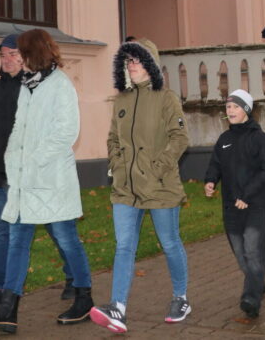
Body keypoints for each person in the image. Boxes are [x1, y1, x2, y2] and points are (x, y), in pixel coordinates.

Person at [0, 30, 93, 333]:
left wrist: (33, 161)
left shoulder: (60, 85)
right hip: (22, 181)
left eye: (20, 53)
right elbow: (18, 130)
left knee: (66, 238)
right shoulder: (28, 86)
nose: (15, 59)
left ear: (33, 53)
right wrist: (13, 162)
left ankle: (84, 297)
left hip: (51, 181)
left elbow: (66, 133)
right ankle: (8, 309)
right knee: (17, 242)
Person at [90, 39, 191, 334]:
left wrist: (156, 169)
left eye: (137, 60)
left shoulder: (166, 98)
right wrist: (118, 165)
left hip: (159, 187)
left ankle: (181, 298)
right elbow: (113, 138)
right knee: (124, 246)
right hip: (125, 189)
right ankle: (118, 308)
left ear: (151, 64)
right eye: (128, 61)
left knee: (169, 243)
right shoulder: (121, 100)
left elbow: (180, 138)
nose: (131, 65)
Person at [203, 89, 265, 319]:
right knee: (241, 254)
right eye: (228, 107)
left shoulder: (259, 138)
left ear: (246, 110)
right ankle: (257, 282)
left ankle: (251, 298)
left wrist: (247, 196)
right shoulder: (224, 139)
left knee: (253, 250)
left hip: (254, 205)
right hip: (230, 206)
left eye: (235, 106)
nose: (230, 110)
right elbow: (215, 164)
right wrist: (210, 181)